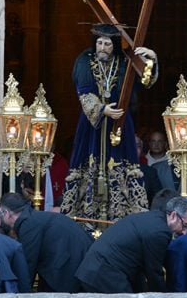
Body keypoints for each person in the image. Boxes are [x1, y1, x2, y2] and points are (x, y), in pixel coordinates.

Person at [61, 23, 159, 221]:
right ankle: (85, 214)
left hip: (121, 122)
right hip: (91, 124)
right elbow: (84, 90)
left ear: (114, 45)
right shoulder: (84, 61)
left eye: (107, 43)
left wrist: (152, 59)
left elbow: (146, 81)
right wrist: (102, 109)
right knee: (88, 163)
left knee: (122, 163)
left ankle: (122, 213)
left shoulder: (125, 61)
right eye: (99, 43)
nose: (102, 47)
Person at [75, 196, 187, 293]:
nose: (185, 232)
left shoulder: (154, 218)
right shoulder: (160, 231)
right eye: (185, 226)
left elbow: (142, 267)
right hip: (104, 275)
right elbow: (154, 272)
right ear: (174, 215)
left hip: (94, 271)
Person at [0, 192, 93, 292]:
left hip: (66, 270)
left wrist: (19, 296)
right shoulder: (34, 218)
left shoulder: (28, 224)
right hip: (73, 264)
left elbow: (27, 265)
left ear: (6, 213)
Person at [136, 135, 162, 205]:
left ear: (141, 149)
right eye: (130, 145)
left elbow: (157, 199)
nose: (133, 149)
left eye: (137, 146)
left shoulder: (150, 172)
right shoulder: (116, 171)